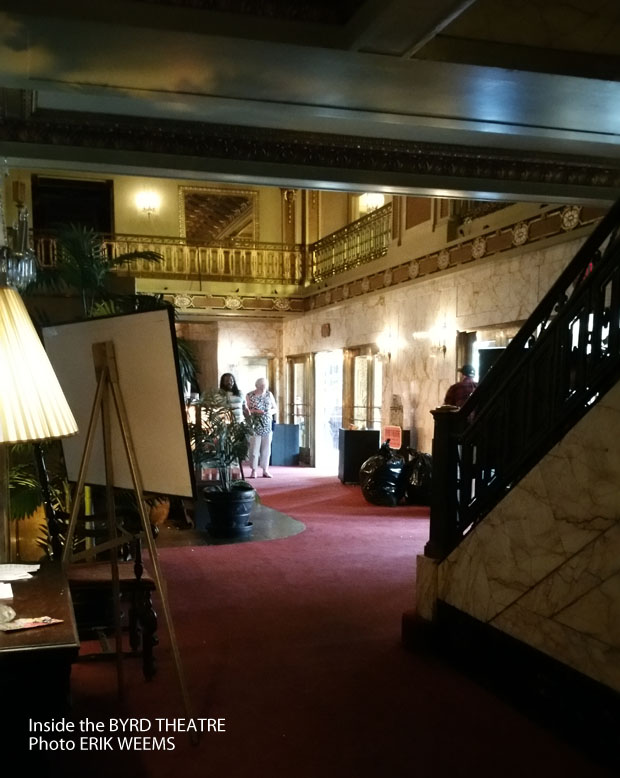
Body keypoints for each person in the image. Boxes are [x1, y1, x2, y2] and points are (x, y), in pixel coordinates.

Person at [246, 377, 277, 478]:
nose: (264, 387)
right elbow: (247, 409)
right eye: (262, 385)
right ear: (257, 386)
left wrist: (269, 412)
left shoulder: (269, 394)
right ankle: (254, 470)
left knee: (266, 449)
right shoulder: (250, 395)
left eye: (265, 385)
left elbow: (275, 408)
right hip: (255, 424)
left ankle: (265, 469)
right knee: (254, 449)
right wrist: (256, 412)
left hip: (267, 424)